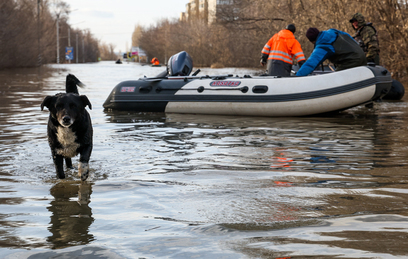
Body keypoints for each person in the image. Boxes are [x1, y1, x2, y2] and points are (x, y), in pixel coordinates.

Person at [296, 27, 367, 77]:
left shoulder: (323, 45)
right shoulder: (333, 31)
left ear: (312, 41)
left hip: (351, 61)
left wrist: (297, 77)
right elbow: (349, 37)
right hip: (362, 56)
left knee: (337, 78)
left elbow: (310, 64)